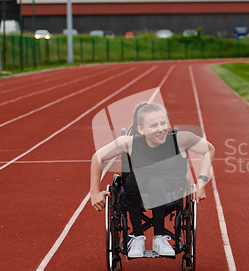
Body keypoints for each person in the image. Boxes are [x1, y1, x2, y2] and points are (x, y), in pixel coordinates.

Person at [91, 102, 215, 258]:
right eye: (153, 125)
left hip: (168, 186)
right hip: (136, 190)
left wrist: (201, 183)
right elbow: (98, 157)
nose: (161, 129)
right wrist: (94, 191)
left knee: (157, 181)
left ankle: (159, 238)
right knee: (130, 180)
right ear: (141, 130)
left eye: (163, 123)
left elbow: (209, 149)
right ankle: (137, 237)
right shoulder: (129, 142)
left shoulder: (180, 139)